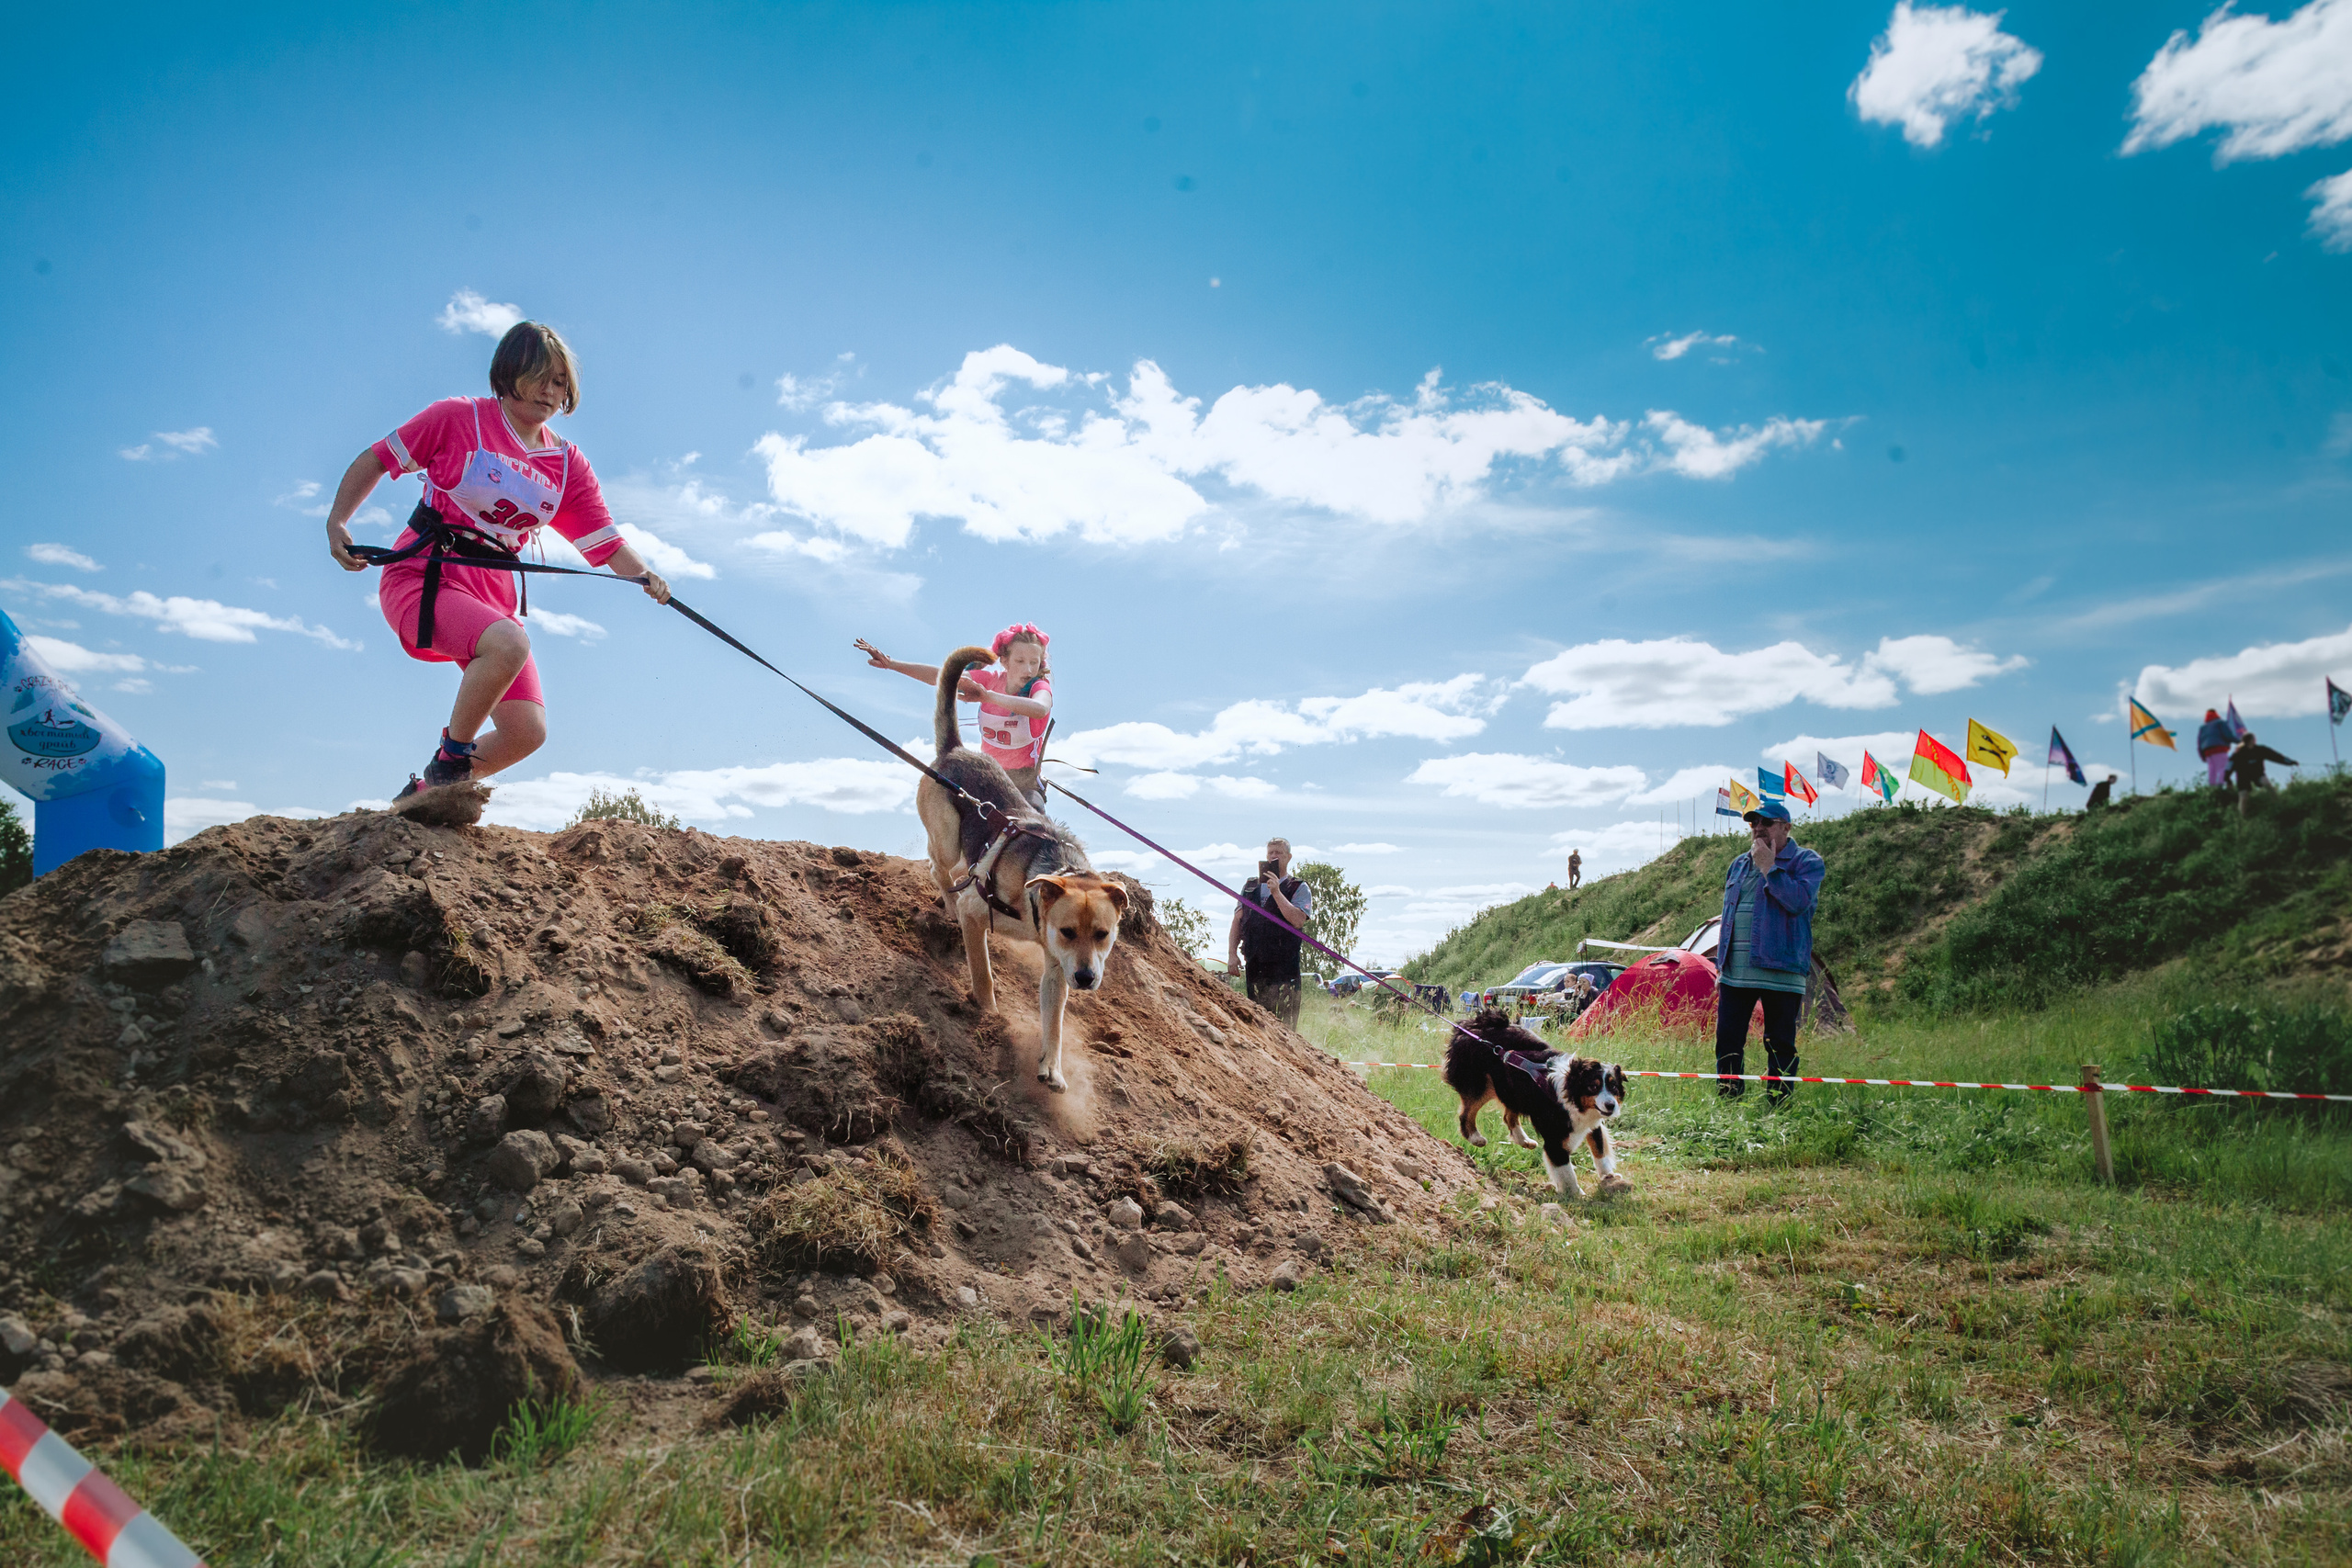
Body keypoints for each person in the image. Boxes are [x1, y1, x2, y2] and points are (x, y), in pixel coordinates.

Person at [325, 321, 671, 801]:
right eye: (540, 378)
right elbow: (378, 458)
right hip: (424, 577)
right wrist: (338, 522)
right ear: (508, 374)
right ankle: (449, 763)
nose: (551, 392)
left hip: (492, 598)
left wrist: (646, 576)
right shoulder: (456, 418)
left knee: (526, 732)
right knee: (509, 645)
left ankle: (422, 797)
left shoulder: (567, 465)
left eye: (560, 383)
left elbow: (605, 540)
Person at [859, 624, 1053, 808]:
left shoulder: (1039, 687)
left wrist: (988, 696)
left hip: (1025, 786)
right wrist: (892, 664)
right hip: (989, 779)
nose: (1028, 670)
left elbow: (1040, 708)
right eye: (1020, 661)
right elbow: (944, 677)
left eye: (1033, 662)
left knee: (1033, 825)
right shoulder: (992, 681)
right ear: (1005, 661)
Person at [1715, 801, 1825, 1104]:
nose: (1759, 828)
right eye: (1754, 823)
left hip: (1782, 968)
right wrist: (1721, 964)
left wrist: (1769, 867)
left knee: (1780, 1044)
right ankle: (1728, 1103)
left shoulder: (1806, 861)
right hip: (1736, 973)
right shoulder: (1738, 864)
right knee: (1728, 1041)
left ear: (1786, 827)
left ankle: (1779, 1107)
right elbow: (1728, 915)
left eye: (1767, 822)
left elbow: (1798, 902)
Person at [1227, 837, 1314, 1029]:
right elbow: (1238, 920)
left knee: (1285, 1026)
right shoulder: (1250, 887)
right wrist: (1232, 954)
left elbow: (1298, 920)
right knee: (1257, 1022)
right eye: (1270, 853)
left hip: (1285, 968)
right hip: (1255, 964)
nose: (1274, 857)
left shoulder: (1298, 887)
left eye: (1279, 853)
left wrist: (1277, 892)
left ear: (1288, 857)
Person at [2228, 731, 2298, 814]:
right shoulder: (2238, 753)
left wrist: (2290, 762)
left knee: (2267, 784)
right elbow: (2229, 767)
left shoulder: (2260, 750)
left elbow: (2276, 756)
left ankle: (2279, 805)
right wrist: (2227, 779)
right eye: (2253, 739)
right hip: (2243, 776)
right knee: (2243, 796)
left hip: (2257, 774)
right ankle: (2242, 817)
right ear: (2250, 741)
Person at [2196, 708, 2235, 788]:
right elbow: (2228, 735)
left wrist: (2202, 756)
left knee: (2212, 770)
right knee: (2223, 767)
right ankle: (2220, 786)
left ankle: (2212, 787)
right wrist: (2239, 740)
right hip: (2220, 748)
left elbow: (2199, 743)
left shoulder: (2203, 727)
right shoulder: (2220, 723)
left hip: (2207, 751)